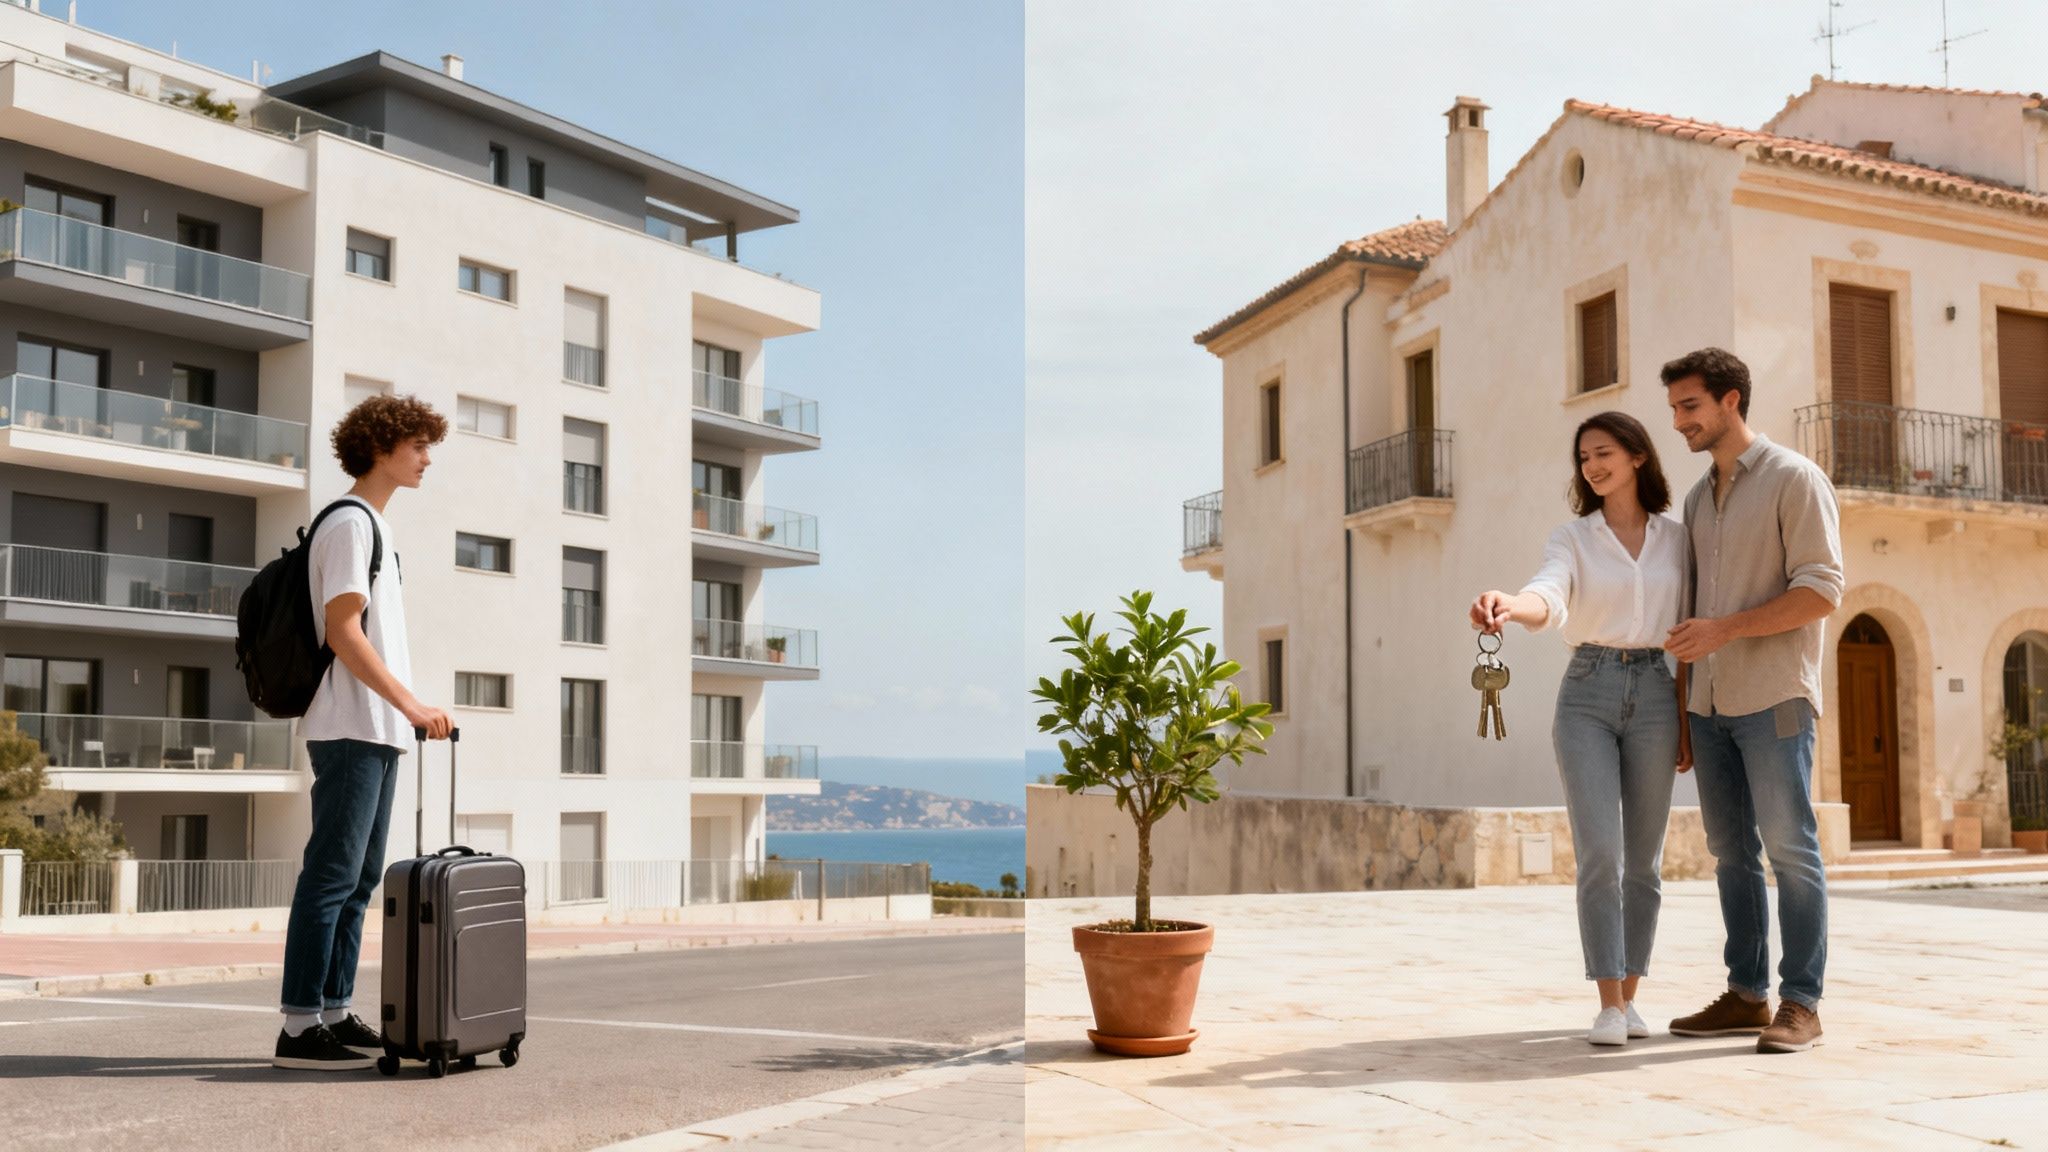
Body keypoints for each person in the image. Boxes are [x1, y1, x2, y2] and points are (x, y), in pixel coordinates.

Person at [1469, 411, 1689, 1046]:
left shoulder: (1678, 538)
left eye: (1604, 453)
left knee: (1644, 862)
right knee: (1601, 854)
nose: (1592, 466)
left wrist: (1689, 719)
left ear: (1638, 456)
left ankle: (1634, 992)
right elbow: (1551, 594)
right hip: (1587, 692)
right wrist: (1512, 605)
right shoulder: (1572, 538)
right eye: (1584, 457)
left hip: (1656, 690)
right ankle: (1609, 1003)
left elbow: (1695, 620)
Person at [1661, 347, 1843, 1054]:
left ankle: (1802, 1003)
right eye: (1675, 408)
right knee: (1729, 852)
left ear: (1731, 399)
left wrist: (1726, 630)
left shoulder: (1795, 479)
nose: (1679, 422)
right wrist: (1683, 710)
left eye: (1690, 406)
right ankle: (1746, 994)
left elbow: (1823, 590)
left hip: (1774, 700)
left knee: (1791, 852)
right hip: (1708, 707)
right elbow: (1689, 614)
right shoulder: (1698, 497)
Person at [273, 395, 453, 1071]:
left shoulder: (376, 525)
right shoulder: (350, 524)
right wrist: (410, 703)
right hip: (351, 725)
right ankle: (297, 1026)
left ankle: (334, 1010)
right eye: (418, 446)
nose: (427, 459)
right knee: (331, 875)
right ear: (381, 448)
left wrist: (400, 715)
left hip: (376, 730)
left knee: (360, 878)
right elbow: (343, 631)